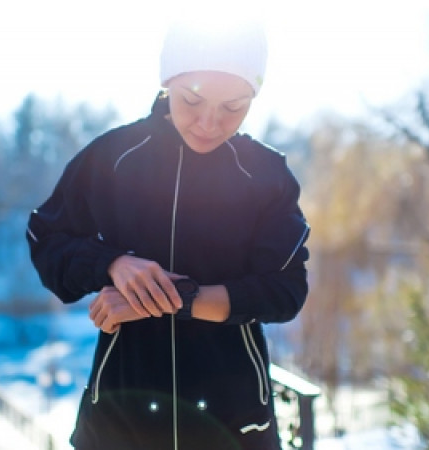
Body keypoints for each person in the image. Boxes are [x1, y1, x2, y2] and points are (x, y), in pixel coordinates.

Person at [26, 14, 310, 450]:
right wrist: (112, 264)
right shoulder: (113, 157)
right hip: (122, 420)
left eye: (233, 107)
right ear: (167, 82)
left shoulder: (266, 174)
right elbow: (46, 240)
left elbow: (284, 290)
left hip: (232, 424)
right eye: (192, 100)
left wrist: (168, 300)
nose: (209, 123)